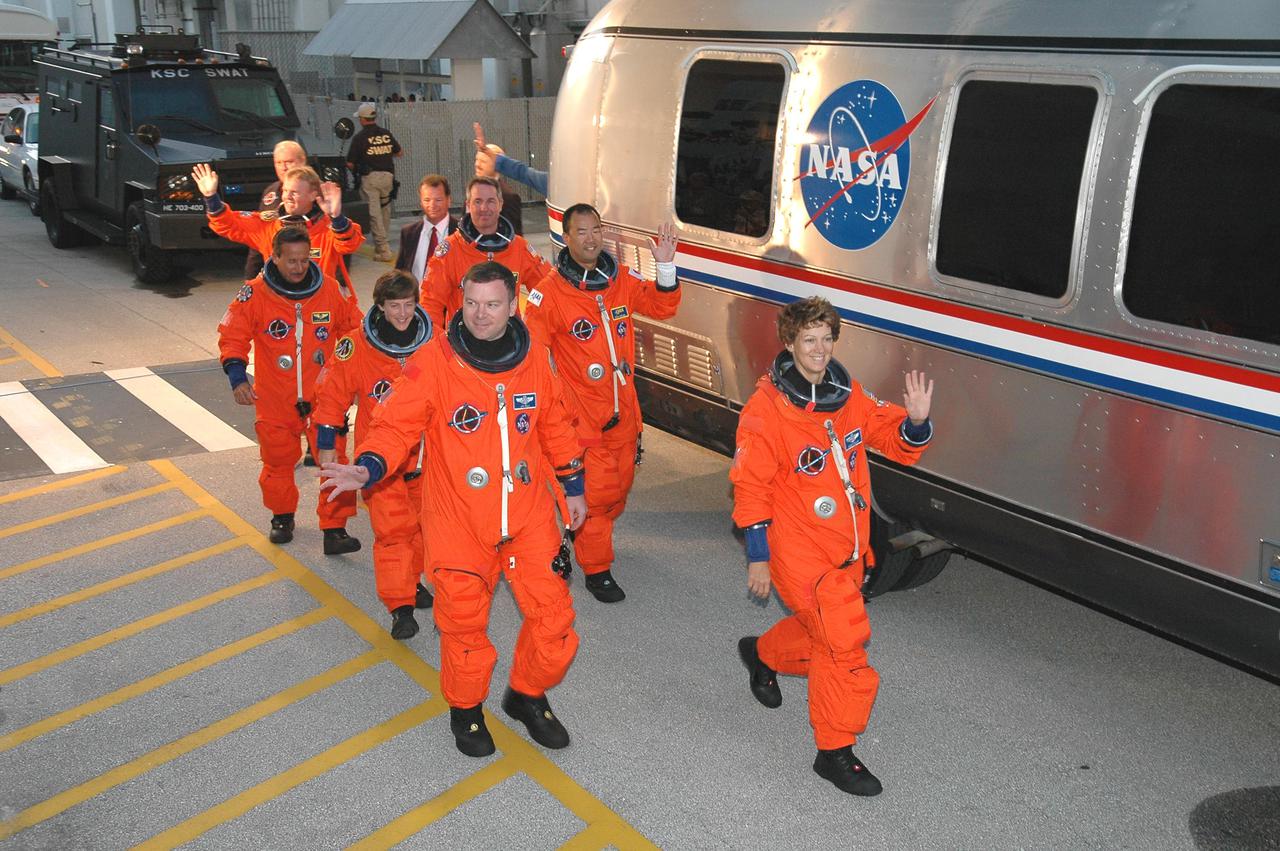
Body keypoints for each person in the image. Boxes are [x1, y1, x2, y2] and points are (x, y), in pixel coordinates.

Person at [321, 261, 588, 758]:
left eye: (491, 304)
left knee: (555, 621)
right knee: (464, 627)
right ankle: (465, 712)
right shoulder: (433, 359)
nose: (479, 315)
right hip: (459, 520)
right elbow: (395, 424)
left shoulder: (535, 357)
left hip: (527, 516)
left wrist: (572, 484)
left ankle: (526, 695)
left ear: (513, 306)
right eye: (470, 303)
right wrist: (369, 466)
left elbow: (554, 422)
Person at [729, 296, 935, 797]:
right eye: (809, 340)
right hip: (797, 551)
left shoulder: (846, 394)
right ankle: (834, 751)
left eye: (827, 338)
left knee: (822, 635)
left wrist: (915, 422)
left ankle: (763, 654)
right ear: (790, 343)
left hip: (846, 547)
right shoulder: (766, 411)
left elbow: (891, 437)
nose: (820, 349)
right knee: (845, 645)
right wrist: (758, 556)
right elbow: (750, 486)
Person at [524, 204, 681, 602]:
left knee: (617, 491)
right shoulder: (549, 294)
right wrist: (554, 413)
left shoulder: (619, 281)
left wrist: (664, 267)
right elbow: (534, 360)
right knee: (597, 497)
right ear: (566, 236)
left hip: (623, 414)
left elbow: (662, 306)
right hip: (581, 421)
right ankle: (597, 569)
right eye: (582, 232)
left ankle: (587, 534)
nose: (591, 238)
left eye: (596, 230)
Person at [218, 227, 362, 553]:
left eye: (303, 259)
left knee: (334, 461)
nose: (298, 267)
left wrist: (353, 376)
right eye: (291, 261)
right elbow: (232, 336)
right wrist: (238, 377)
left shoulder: (328, 289)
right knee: (277, 462)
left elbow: (355, 332)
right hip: (274, 398)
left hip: (324, 399)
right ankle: (282, 517)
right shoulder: (254, 295)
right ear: (275, 257)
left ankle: (334, 529)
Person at [313, 270, 435, 638]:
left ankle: (412, 582)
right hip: (380, 465)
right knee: (394, 533)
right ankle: (401, 608)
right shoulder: (355, 348)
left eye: (409, 305)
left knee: (423, 530)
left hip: (429, 460)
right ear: (379, 307)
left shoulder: (436, 344)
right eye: (394, 306)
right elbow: (332, 398)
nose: (402, 314)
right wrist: (325, 445)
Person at [194, 162, 363, 304]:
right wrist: (211, 198)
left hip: (319, 306)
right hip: (279, 305)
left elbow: (350, 243)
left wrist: (337, 218)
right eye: (285, 191)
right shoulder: (268, 225)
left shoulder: (327, 227)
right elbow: (227, 224)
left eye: (294, 192)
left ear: (313, 195)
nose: (287, 197)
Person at [419, 177, 552, 329]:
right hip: (462, 342)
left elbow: (547, 289)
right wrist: (439, 345)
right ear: (468, 205)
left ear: (500, 204)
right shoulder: (450, 251)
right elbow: (430, 304)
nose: (484, 208)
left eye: (490, 201)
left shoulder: (519, 248)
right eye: (477, 201)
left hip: (509, 343)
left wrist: (532, 315)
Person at [243, 140, 309, 280]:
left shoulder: (318, 191)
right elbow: (259, 237)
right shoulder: (270, 193)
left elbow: (339, 245)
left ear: (302, 161)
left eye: (288, 161)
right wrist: (251, 278)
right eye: (278, 163)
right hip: (277, 274)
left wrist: (339, 282)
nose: (283, 167)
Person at [346, 102, 403, 262]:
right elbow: (399, 152)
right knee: (385, 210)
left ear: (363, 119)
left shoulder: (360, 138)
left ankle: (383, 250)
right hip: (388, 177)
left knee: (374, 213)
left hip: (370, 179)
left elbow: (350, 163)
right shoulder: (386, 133)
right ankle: (381, 246)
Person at [395, 174, 456, 281]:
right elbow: (400, 272)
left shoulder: (461, 232)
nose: (432, 205)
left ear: (449, 200)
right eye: (427, 200)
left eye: (438, 200)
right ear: (420, 202)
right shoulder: (409, 233)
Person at [473, 122, 547, 196]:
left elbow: (523, 172)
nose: (477, 165)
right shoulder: (473, 191)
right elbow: (523, 172)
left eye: (483, 161)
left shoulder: (508, 197)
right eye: (477, 160)